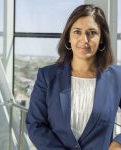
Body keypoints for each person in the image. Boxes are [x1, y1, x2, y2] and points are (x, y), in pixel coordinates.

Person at [26, 4, 121, 150]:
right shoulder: (47, 76)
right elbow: (35, 124)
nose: (85, 39)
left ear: (102, 38)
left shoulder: (117, 77)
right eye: (77, 32)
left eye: (92, 32)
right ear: (68, 37)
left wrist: (118, 142)